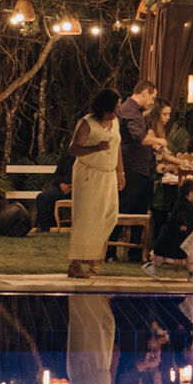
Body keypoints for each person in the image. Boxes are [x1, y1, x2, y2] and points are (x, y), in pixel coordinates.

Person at [65, 89, 124, 279]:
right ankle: (75, 263)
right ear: (105, 107)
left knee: (110, 216)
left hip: (109, 173)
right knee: (86, 219)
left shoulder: (115, 122)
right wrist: (95, 147)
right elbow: (73, 149)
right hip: (88, 174)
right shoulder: (86, 124)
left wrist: (120, 172)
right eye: (115, 107)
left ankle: (91, 254)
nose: (118, 111)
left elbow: (117, 147)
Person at [143, 178, 193, 282]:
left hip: (186, 236)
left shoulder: (186, 204)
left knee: (188, 254)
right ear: (190, 193)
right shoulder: (183, 205)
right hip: (178, 235)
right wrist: (183, 224)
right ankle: (152, 266)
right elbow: (181, 215)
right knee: (164, 253)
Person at [116, 81, 159, 214]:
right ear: (145, 93)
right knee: (127, 209)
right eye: (152, 98)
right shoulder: (130, 110)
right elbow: (141, 138)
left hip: (139, 169)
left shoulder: (136, 111)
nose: (152, 102)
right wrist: (160, 141)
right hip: (132, 169)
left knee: (139, 211)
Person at [34, 137, 75, 232]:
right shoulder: (66, 157)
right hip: (62, 188)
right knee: (42, 197)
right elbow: (57, 174)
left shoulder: (87, 160)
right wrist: (61, 185)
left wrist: (72, 187)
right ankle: (43, 227)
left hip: (80, 191)